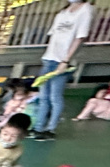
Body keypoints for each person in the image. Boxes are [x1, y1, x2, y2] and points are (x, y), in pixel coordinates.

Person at [34, 0, 94, 140]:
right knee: (44, 96)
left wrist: (65, 61)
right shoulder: (62, 12)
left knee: (55, 97)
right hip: (49, 58)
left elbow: (79, 38)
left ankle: (51, 129)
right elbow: (53, 35)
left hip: (62, 61)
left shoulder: (86, 9)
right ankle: (38, 128)